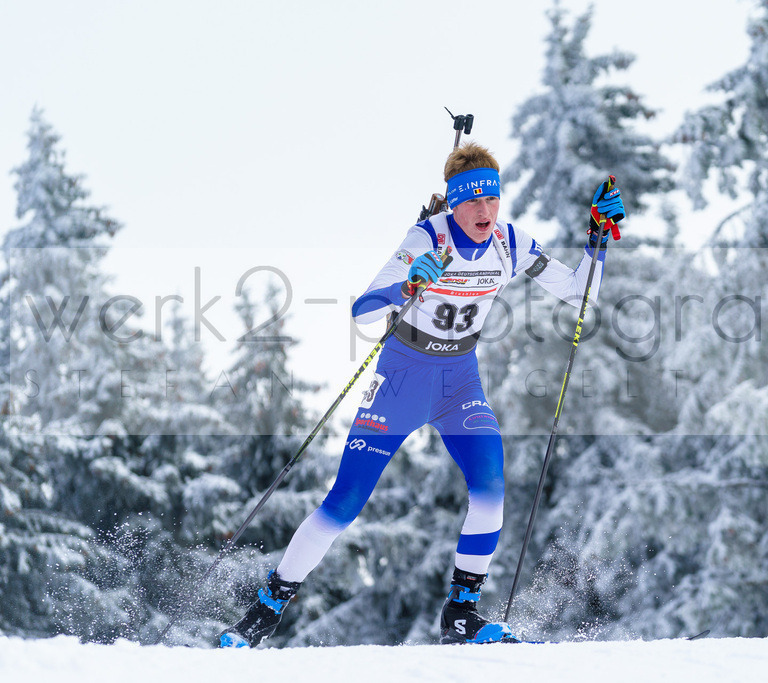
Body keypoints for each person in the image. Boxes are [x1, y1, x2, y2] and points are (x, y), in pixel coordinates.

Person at [220, 142, 625, 647]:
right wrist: (408, 284)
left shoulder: (512, 243)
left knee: (491, 489)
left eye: (492, 200)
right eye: (473, 201)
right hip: (402, 380)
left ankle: (461, 613)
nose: (485, 212)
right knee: (344, 503)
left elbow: (580, 293)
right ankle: (266, 608)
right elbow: (364, 310)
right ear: (453, 203)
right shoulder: (427, 238)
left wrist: (598, 242)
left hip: (459, 383)